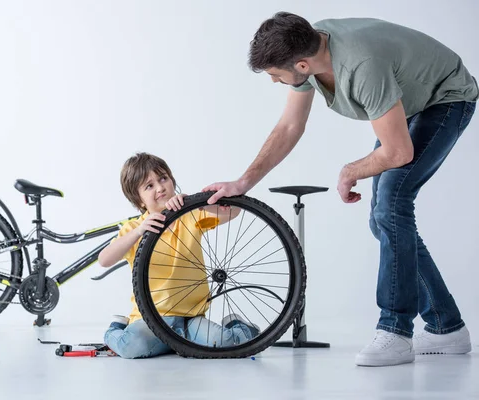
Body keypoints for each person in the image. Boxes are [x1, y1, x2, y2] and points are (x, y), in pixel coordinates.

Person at [203, 12, 477, 367]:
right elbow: (289, 126)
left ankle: (395, 331)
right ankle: (446, 326)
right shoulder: (308, 49)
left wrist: (352, 170)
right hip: (407, 100)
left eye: (274, 75)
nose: (274, 82)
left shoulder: (362, 66)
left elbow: (398, 152)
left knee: (390, 207)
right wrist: (243, 182)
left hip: (446, 98)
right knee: (383, 220)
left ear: (301, 65)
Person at [98, 152, 257, 359]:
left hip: (191, 318)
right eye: (149, 186)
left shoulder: (189, 215)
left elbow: (233, 211)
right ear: (139, 200)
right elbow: (104, 260)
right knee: (131, 347)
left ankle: (236, 325)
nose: (160, 187)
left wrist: (198, 203)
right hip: (152, 320)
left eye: (163, 179)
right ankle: (117, 328)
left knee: (226, 344)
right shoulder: (135, 228)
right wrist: (139, 232)